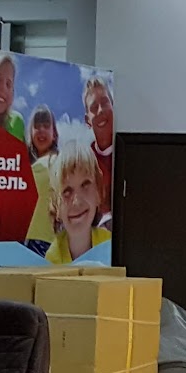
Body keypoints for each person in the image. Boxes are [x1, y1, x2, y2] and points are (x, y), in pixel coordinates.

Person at [46, 141, 111, 265]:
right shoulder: (53, 259)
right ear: (56, 206)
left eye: (85, 185)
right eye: (67, 191)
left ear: (98, 192)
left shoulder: (110, 246)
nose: (77, 202)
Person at [24, 105, 59, 254]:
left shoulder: (58, 161)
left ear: (54, 134)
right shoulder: (24, 165)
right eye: (37, 126)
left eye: (46, 126)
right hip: (23, 240)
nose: (41, 130)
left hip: (46, 241)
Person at [83, 75, 115, 230]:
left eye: (105, 103)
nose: (101, 110)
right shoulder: (84, 163)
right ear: (87, 120)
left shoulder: (129, 153)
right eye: (94, 107)